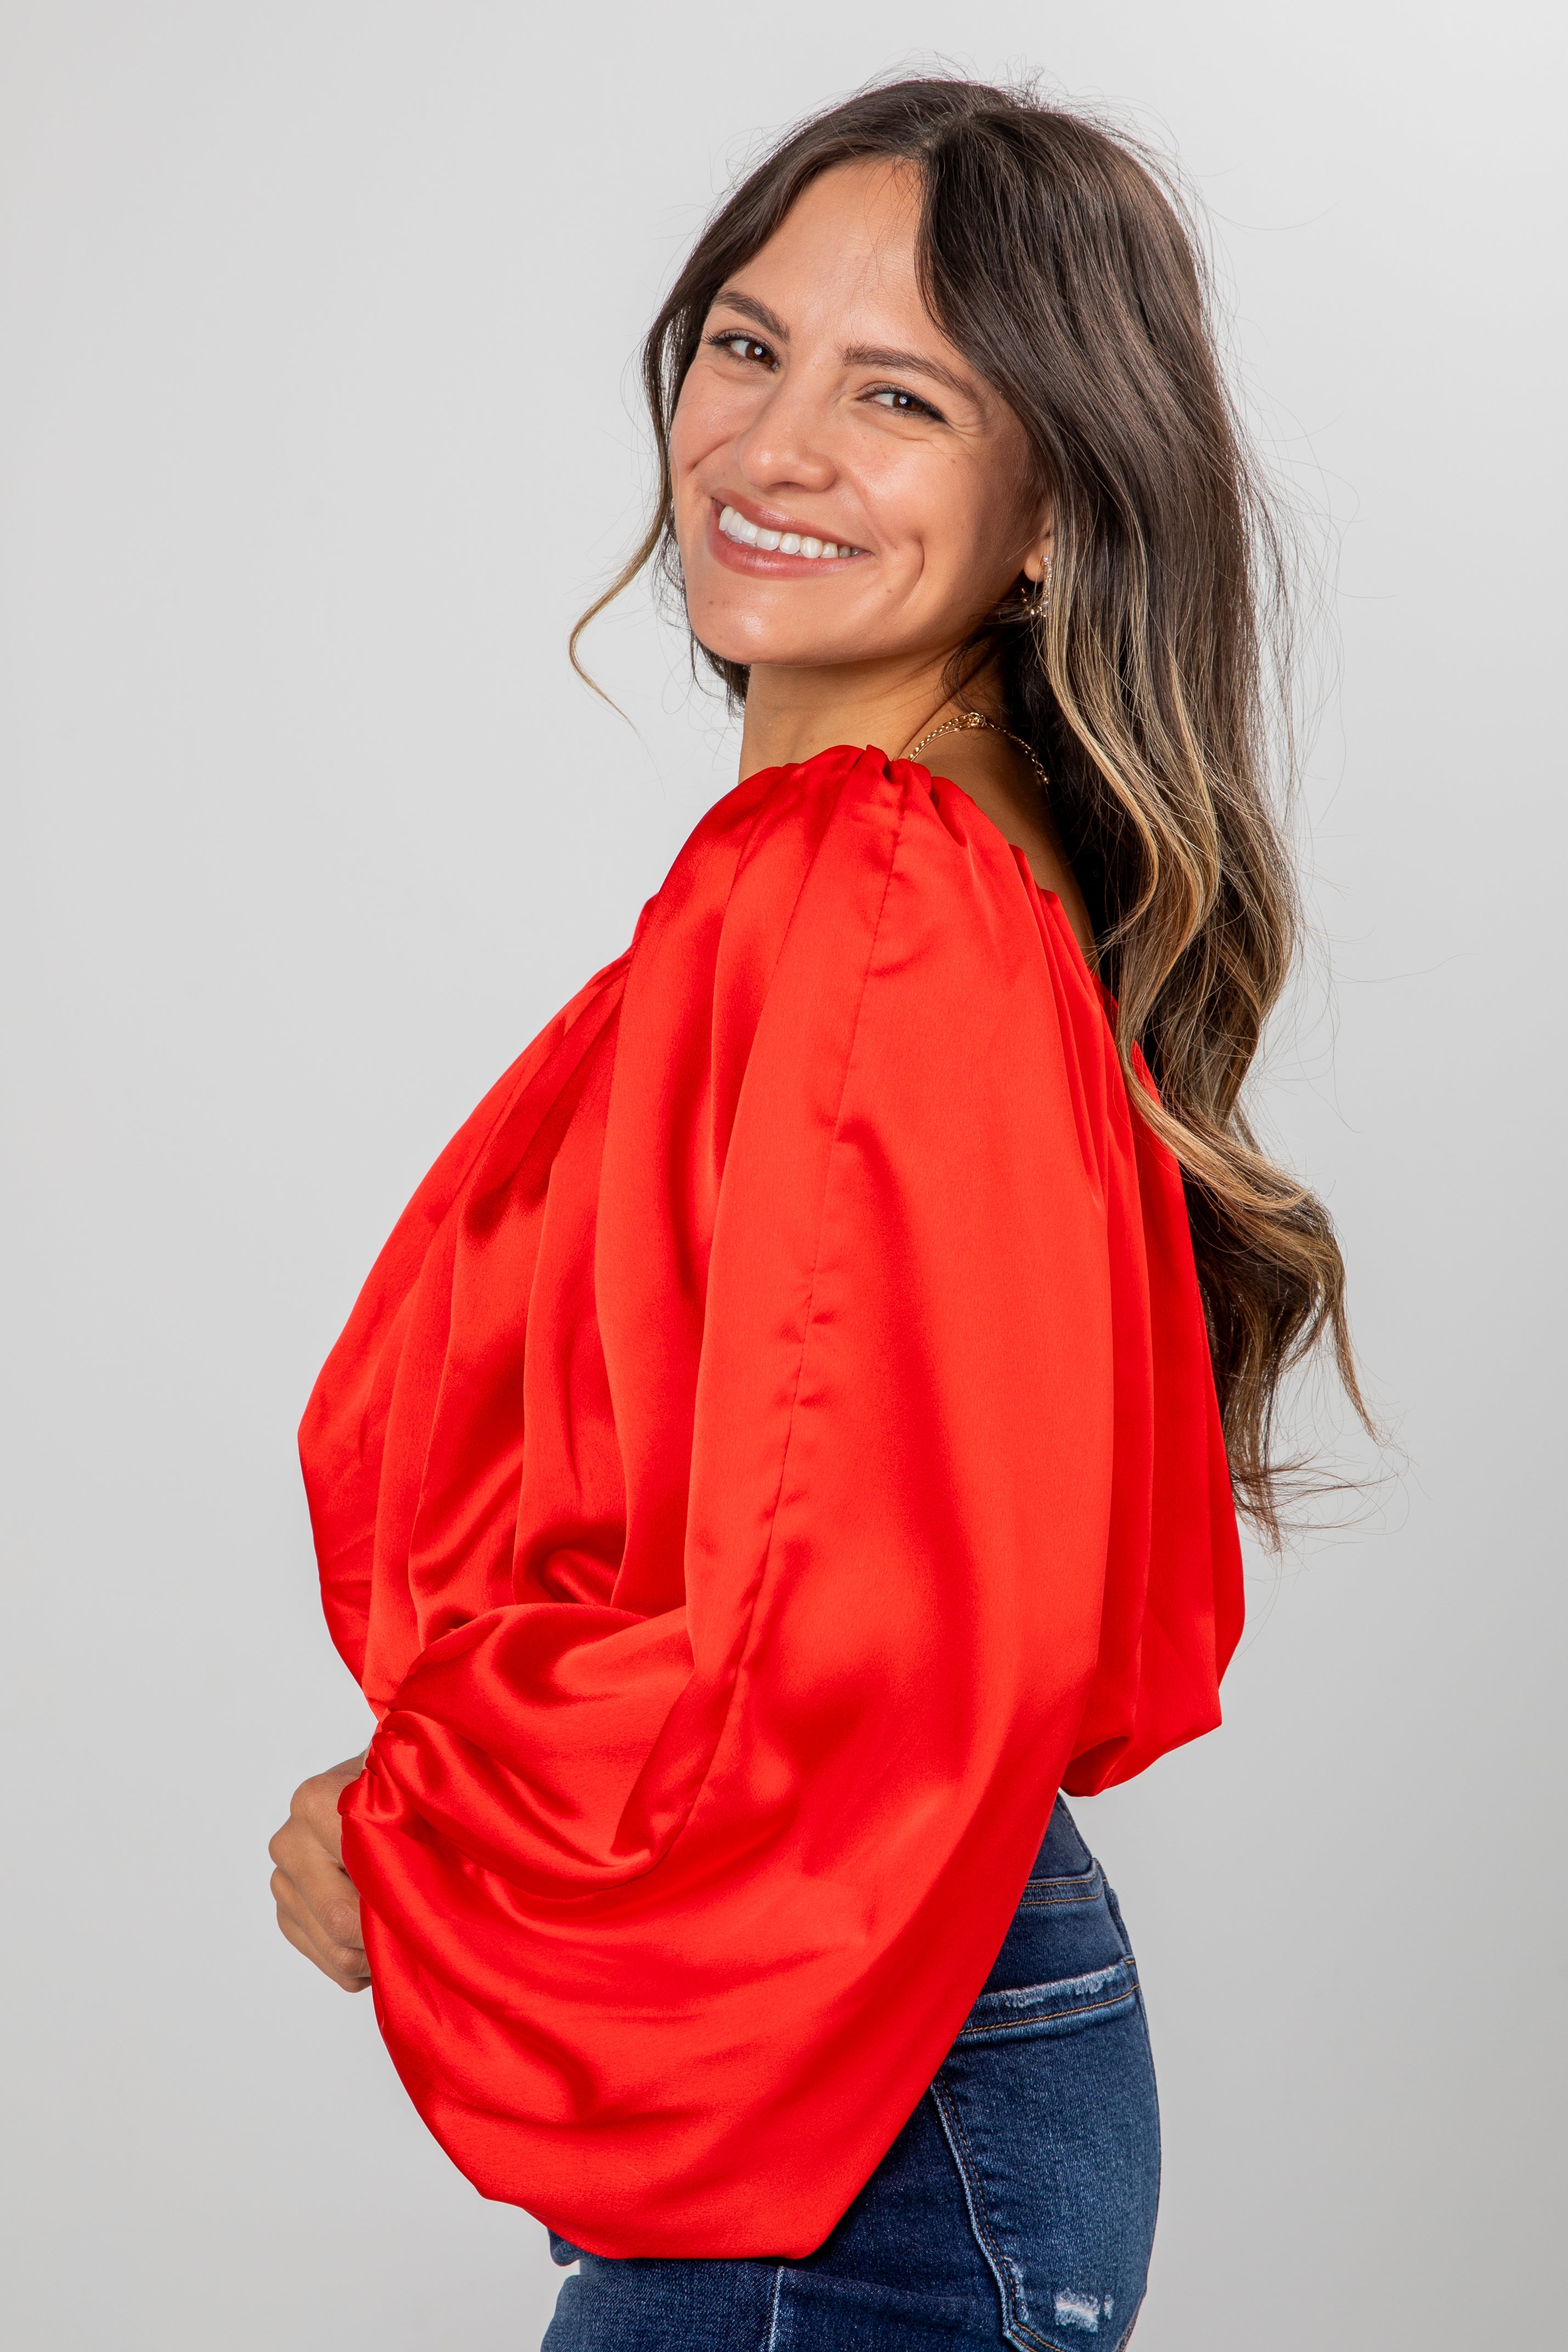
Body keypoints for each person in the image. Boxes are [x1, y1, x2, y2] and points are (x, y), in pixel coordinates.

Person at [268, 77, 1360, 2349]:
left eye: (901, 395)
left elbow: (828, 1635)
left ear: (1053, 506)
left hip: (859, 2098)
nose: (771, 444)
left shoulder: (866, 875)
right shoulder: (923, 856)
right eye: (747, 347)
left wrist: (433, 1840)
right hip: (880, 2056)